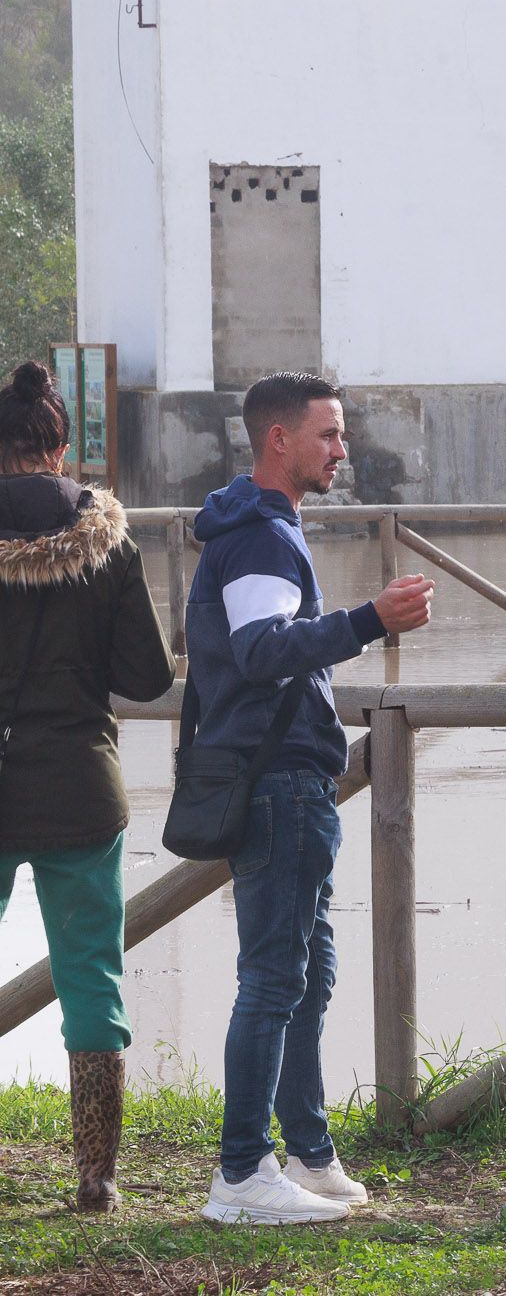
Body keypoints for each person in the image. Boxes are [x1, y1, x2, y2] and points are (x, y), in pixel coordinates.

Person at [187, 373, 435, 1225]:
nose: (343, 449)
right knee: (273, 978)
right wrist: (372, 618)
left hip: (288, 774)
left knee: (308, 971)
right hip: (279, 777)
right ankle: (242, 1175)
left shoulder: (261, 525)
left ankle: (308, 1152)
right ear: (279, 441)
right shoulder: (259, 533)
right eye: (328, 435)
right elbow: (261, 650)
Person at [0, 360, 173, 1212]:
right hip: (80, 789)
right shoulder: (106, 540)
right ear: (63, 447)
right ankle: (96, 1177)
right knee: (92, 979)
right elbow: (145, 677)